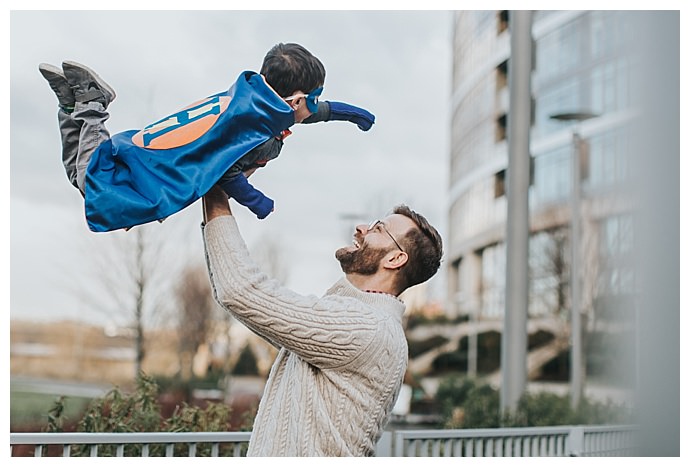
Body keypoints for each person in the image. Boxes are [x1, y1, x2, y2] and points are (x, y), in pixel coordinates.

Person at [200, 184, 444, 456]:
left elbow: (241, 291)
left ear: (396, 258)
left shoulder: (367, 326)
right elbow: (236, 296)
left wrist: (215, 187)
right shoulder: (361, 319)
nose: (361, 228)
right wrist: (225, 185)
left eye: (377, 229)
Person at [38, 43, 375, 232]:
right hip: (156, 173)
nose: (315, 108)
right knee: (89, 179)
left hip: (144, 151)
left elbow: (319, 112)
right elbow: (228, 173)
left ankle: (69, 106)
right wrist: (258, 202)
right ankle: (92, 102)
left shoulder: (255, 104)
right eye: (312, 100)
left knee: (76, 175)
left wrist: (354, 115)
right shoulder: (253, 134)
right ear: (296, 102)